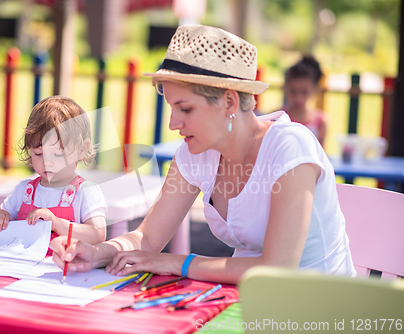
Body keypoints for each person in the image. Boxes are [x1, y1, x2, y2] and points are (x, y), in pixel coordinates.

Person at [50, 25, 356, 285]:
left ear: (229, 102)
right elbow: (147, 238)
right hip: (252, 305)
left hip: (322, 312)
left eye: (185, 109)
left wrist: (177, 263)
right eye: (172, 108)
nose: (172, 123)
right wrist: (99, 252)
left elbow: (277, 268)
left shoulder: (290, 146)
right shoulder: (196, 153)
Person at [0, 96, 107, 251]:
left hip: (62, 269)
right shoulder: (24, 191)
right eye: (38, 154)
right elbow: (2, 224)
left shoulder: (85, 192)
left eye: (57, 154)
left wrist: (55, 223)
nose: (47, 162)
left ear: (81, 150)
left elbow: (98, 234)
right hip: (20, 266)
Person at [283, 55, 327, 147]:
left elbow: (321, 157)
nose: (298, 98)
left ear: (315, 90)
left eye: (304, 92)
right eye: (293, 91)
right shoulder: (276, 118)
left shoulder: (320, 122)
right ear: (285, 88)